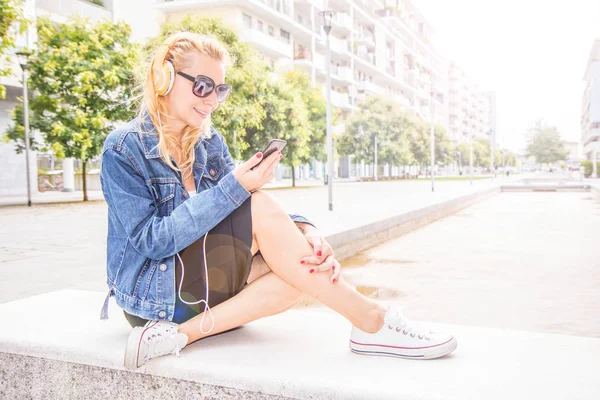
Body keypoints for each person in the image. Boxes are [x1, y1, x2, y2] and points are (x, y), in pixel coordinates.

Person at [99, 32, 457, 370]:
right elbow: (153, 240)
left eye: (220, 89)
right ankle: (372, 320)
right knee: (260, 210)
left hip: (199, 288)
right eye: (202, 85)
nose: (211, 99)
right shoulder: (123, 148)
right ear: (164, 77)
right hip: (152, 298)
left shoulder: (208, 142)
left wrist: (307, 231)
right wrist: (236, 187)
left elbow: (245, 206)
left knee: (298, 271)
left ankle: (178, 337)